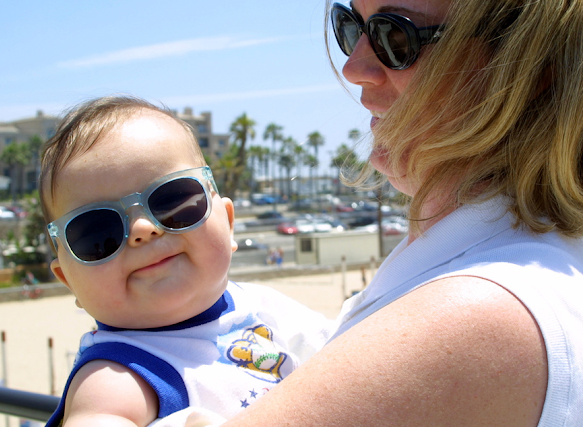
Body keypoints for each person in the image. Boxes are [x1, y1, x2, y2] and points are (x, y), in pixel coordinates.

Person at [152, 0, 583, 425]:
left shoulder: (481, 311)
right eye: (351, 26)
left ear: (529, 67)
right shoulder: (500, 261)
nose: (354, 66)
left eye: (396, 36)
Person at [40, 96, 332, 426]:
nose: (142, 229)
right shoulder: (117, 376)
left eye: (173, 201)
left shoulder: (262, 305)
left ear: (229, 222)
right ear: (68, 281)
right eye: (97, 232)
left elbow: (346, 346)